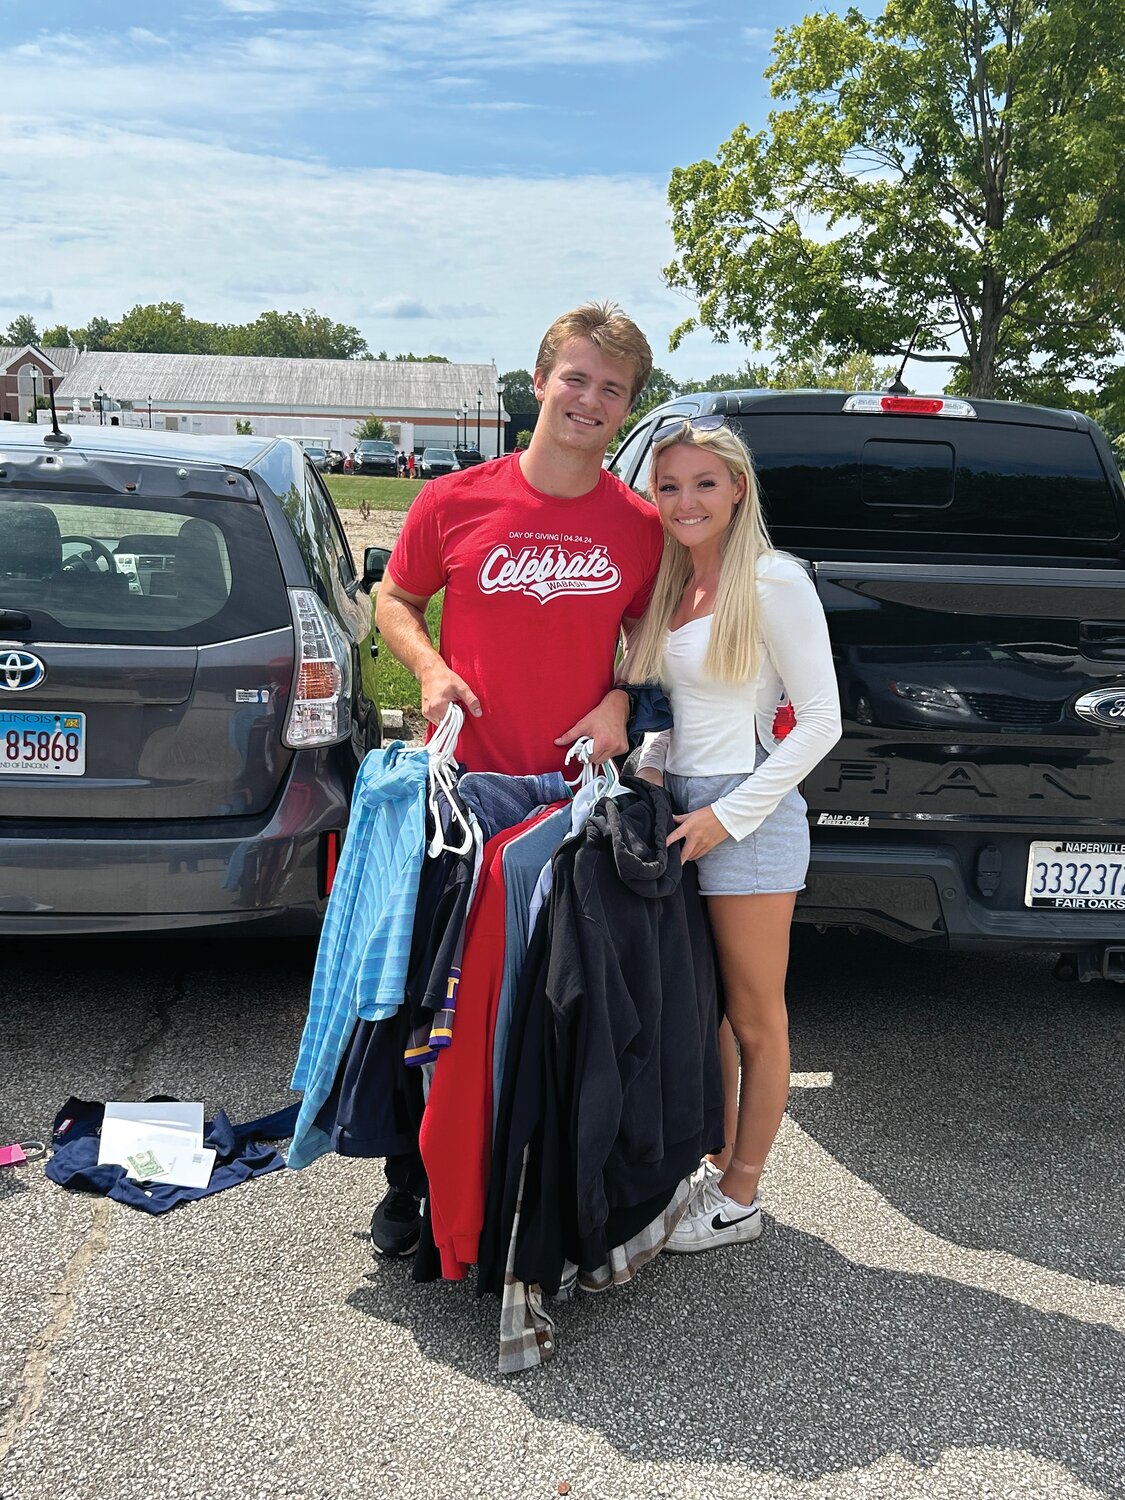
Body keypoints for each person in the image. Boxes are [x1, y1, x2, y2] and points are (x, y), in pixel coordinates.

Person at [369, 301, 664, 1256]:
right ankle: (410, 1181)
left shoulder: (641, 528)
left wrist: (623, 701)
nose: (589, 399)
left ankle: (515, 1186)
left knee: (536, 1011)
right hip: (461, 797)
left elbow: (654, 645)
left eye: (610, 389)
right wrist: (428, 667)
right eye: (575, 378)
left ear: (626, 408)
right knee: (432, 997)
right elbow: (397, 597)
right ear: (539, 382)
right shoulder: (453, 501)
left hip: (567, 812)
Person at [627, 415, 841, 1253]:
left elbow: (821, 721)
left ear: (736, 489)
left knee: (756, 1018)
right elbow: (677, 713)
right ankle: (711, 1162)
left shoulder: (772, 578)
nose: (685, 501)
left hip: (746, 814)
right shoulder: (676, 585)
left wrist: (727, 815)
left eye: (702, 483)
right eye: (668, 485)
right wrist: (648, 768)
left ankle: (743, 1194)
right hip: (681, 805)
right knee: (704, 1008)